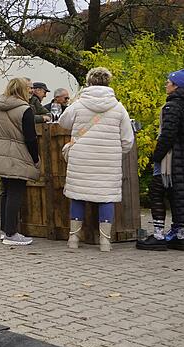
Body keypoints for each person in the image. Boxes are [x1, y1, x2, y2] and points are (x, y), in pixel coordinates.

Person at [58, 67, 135, 252]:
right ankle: (105, 243)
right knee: (106, 198)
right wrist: (115, 151)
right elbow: (127, 140)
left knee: (78, 195)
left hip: (81, 159)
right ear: (108, 82)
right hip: (108, 161)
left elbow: (62, 122)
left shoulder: (78, 104)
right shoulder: (118, 107)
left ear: (88, 82)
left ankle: (73, 240)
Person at [136, 68, 184, 251]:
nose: (166, 84)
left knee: (157, 192)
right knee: (179, 195)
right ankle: (180, 235)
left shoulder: (172, 106)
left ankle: (158, 235)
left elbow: (168, 135)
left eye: (168, 82)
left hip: (170, 159)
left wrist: (155, 156)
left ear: (176, 86)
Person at [0, 77, 40, 246]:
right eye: (28, 88)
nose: (31, 91)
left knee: (5, 192)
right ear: (22, 90)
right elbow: (30, 138)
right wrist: (35, 158)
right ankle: (11, 233)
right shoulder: (25, 109)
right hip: (17, 154)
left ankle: (4, 229)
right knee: (16, 192)